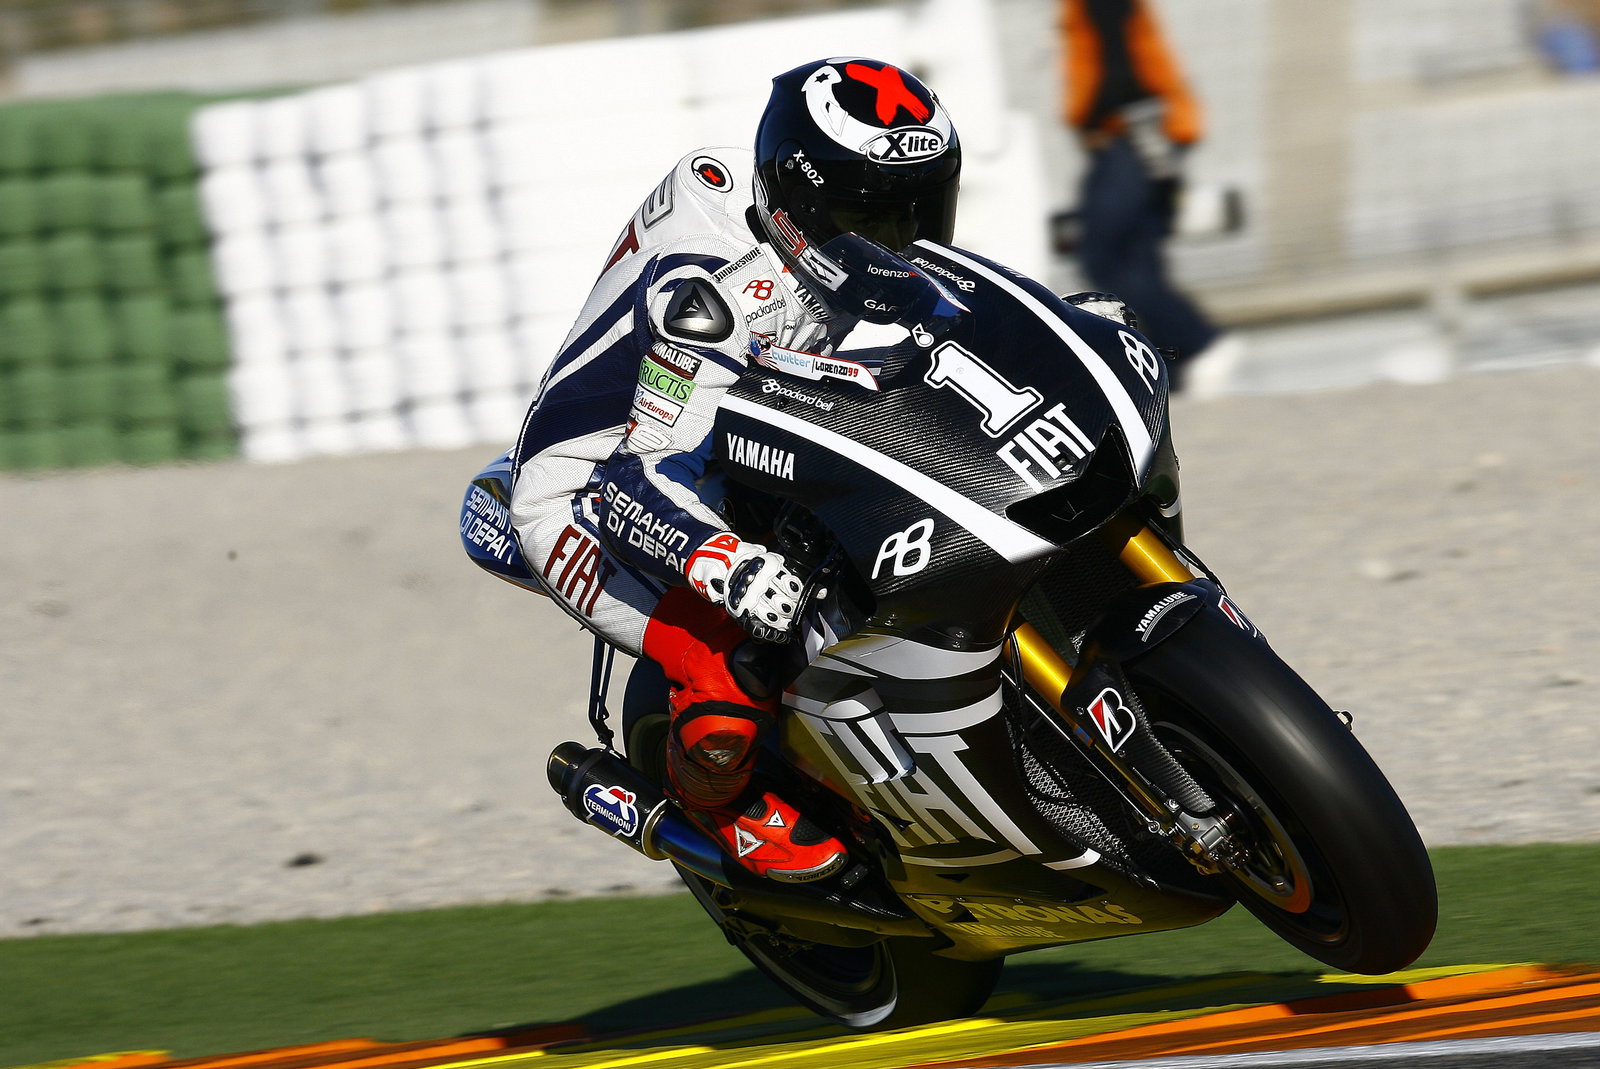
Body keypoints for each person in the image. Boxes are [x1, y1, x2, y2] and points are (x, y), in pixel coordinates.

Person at [507, 58, 962, 883]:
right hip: (589, 490)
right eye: (874, 218)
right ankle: (719, 805)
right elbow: (630, 479)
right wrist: (723, 560)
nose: (902, 242)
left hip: (715, 438)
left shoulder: (813, 235)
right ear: (803, 208)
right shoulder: (715, 298)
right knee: (730, 652)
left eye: (921, 210)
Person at [1059, 0, 1240, 395]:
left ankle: (1198, 342)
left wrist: (1090, 116)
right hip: (1150, 133)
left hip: (1132, 133)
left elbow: (1118, 65)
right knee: (1138, 261)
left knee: (1102, 256)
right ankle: (1174, 367)